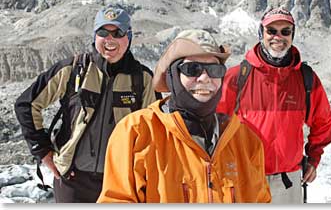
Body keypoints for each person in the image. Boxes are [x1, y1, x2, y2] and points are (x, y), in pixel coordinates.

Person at [97, 29, 271, 203]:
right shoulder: (137, 132)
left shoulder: (246, 142)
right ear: (173, 75)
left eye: (215, 69)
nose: (204, 78)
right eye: (192, 69)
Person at [14, 3, 159, 203]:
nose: (110, 39)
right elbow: (26, 104)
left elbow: (155, 129)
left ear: (129, 37)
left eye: (118, 33)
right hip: (73, 181)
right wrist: (42, 150)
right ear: (94, 36)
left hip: (121, 182)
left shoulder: (142, 79)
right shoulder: (72, 69)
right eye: (103, 32)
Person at [217, 7, 331, 203]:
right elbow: (216, 122)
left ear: (292, 35)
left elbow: (323, 122)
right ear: (261, 33)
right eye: (271, 31)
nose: (278, 37)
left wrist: (313, 159)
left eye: (285, 31)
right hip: (244, 178)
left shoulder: (306, 78)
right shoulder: (237, 77)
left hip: (288, 182)